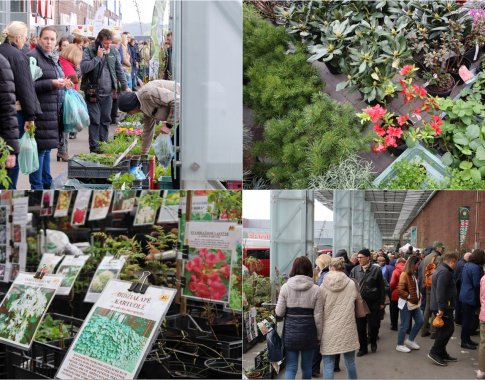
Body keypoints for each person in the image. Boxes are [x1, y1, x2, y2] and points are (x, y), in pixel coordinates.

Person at [28, 26, 73, 189]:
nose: (49, 42)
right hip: (39, 111)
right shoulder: (33, 57)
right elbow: (28, 86)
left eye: (52, 39)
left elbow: (53, 77)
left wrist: (63, 82)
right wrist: (52, 83)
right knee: (39, 151)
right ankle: (37, 188)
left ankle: (47, 185)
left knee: (46, 150)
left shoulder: (50, 57)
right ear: (39, 39)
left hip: (51, 109)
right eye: (46, 38)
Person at [0, 21, 41, 189]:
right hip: (13, 113)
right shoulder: (18, 56)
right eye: (25, 37)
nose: (25, 40)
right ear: (17, 38)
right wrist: (31, 116)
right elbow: (26, 88)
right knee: (11, 157)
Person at [117, 80, 180, 186]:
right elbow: (148, 130)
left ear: (132, 107)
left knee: (176, 152)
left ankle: (179, 187)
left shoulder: (148, 94)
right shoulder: (144, 108)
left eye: (128, 112)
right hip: (185, 116)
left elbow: (177, 101)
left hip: (192, 108)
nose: (130, 114)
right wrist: (144, 154)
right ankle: (177, 184)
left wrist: (168, 125)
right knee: (174, 152)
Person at [80, 28, 129, 153]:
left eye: (109, 42)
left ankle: (104, 145)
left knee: (105, 119)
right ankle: (94, 148)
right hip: (93, 92)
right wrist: (97, 57)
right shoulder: (89, 50)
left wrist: (125, 86)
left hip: (108, 93)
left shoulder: (113, 51)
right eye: (105, 43)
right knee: (95, 120)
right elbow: (84, 68)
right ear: (99, 40)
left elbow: (119, 69)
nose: (108, 45)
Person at [275, 256, 323, 380]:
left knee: (291, 367)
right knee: (307, 367)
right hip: (309, 333)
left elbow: (279, 312)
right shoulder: (316, 289)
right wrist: (319, 336)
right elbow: (318, 316)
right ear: (309, 270)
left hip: (290, 333)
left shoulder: (285, 287)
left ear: (294, 269)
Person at [319, 257, 360, 380]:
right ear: (343, 268)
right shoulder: (352, 283)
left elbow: (320, 308)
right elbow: (356, 302)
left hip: (329, 330)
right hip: (348, 327)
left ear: (331, 267)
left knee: (328, 364)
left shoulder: (323, 285)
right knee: (350, 362)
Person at [350, 248, 386, 356]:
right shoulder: (355, 270)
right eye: (358, 257)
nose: (359, 259)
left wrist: (381, 302)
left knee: (374, 325)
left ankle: (373, 340)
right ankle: (363, 348)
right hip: (360, 303)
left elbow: (381, 287)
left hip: (373, 303)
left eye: (361, 257)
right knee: (360, 327)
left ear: (368, 258)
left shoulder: (376, 270)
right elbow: (351, 286)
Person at [428, 252, 459, 366]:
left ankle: (441, 352)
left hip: (442, 306)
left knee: (444, 330)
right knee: (447, 330)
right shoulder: (444, 272)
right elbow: (440, 291)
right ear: (452, 261)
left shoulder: (441, 269)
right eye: (456, 262)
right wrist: (441, 308)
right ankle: (435, 352)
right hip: (443, 307)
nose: (456, 265)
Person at [57, 43, 82, 161]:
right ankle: (63, 151)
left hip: (65, 97)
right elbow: (74, 78)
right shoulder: (66, 64)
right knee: (65, 126)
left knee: (65, 126)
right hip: (66, 98)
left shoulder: (63, 61)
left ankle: (62, 151)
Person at [396, 255, 424, 353]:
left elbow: (414, 287)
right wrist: (410, 297)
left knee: (420, 321)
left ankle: (410, 340)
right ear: (413, 264)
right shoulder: (405, 274)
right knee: (405, 325)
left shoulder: (412, 273)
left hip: (413, 303)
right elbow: (400, 290)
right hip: (406, 304)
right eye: (418, 264)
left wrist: (418, 295)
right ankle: (399, 344)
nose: (419, 266)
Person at [460, 249, 485, 349]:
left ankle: (466, 339)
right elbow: (476, 284)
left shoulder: (467, 265)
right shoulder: (475, 268)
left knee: (467, 319)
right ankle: (465, 341)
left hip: (464, 294)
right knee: (467, 320)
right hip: (470, 297)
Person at [312, 253, 332, 377]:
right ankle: (334, 366)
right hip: (333, 312)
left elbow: (319, 296)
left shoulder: (322, 277)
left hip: (323, 312)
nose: (316, 267)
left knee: (319, 342)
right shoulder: (333, 275)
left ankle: (315, 368)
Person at [421, 241, 445, 338]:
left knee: (427, 308)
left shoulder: (426, 257)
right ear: (437, 248)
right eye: (442, 248)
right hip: (434, 286)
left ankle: (423, 330)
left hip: (427, 285)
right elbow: (439, 273)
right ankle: (433, 331)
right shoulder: (438, 257)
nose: (443, 249)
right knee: (435, 307)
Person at [455, 252, 472, 325]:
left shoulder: (460, 263)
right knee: (459, 305)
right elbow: (461, 278)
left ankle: (457, 319)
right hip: (459, 287)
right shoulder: (464, 265)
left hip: (457, 286)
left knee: (457, 304)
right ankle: (458, 320)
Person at [389, 258, 406, 331]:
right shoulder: (407, 270)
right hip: (405, 293)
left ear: (397, 263)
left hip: (396, 293)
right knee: (405, 311)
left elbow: (392, 283)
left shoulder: (395, 271)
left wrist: (392, 290)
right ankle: (406, 327)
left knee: (394, 311)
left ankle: (394, 326)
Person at [477, 272, 485, 379]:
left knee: (483, 342)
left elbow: (481, 297)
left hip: (484, 313)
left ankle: (482, 370)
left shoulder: (483, 278)